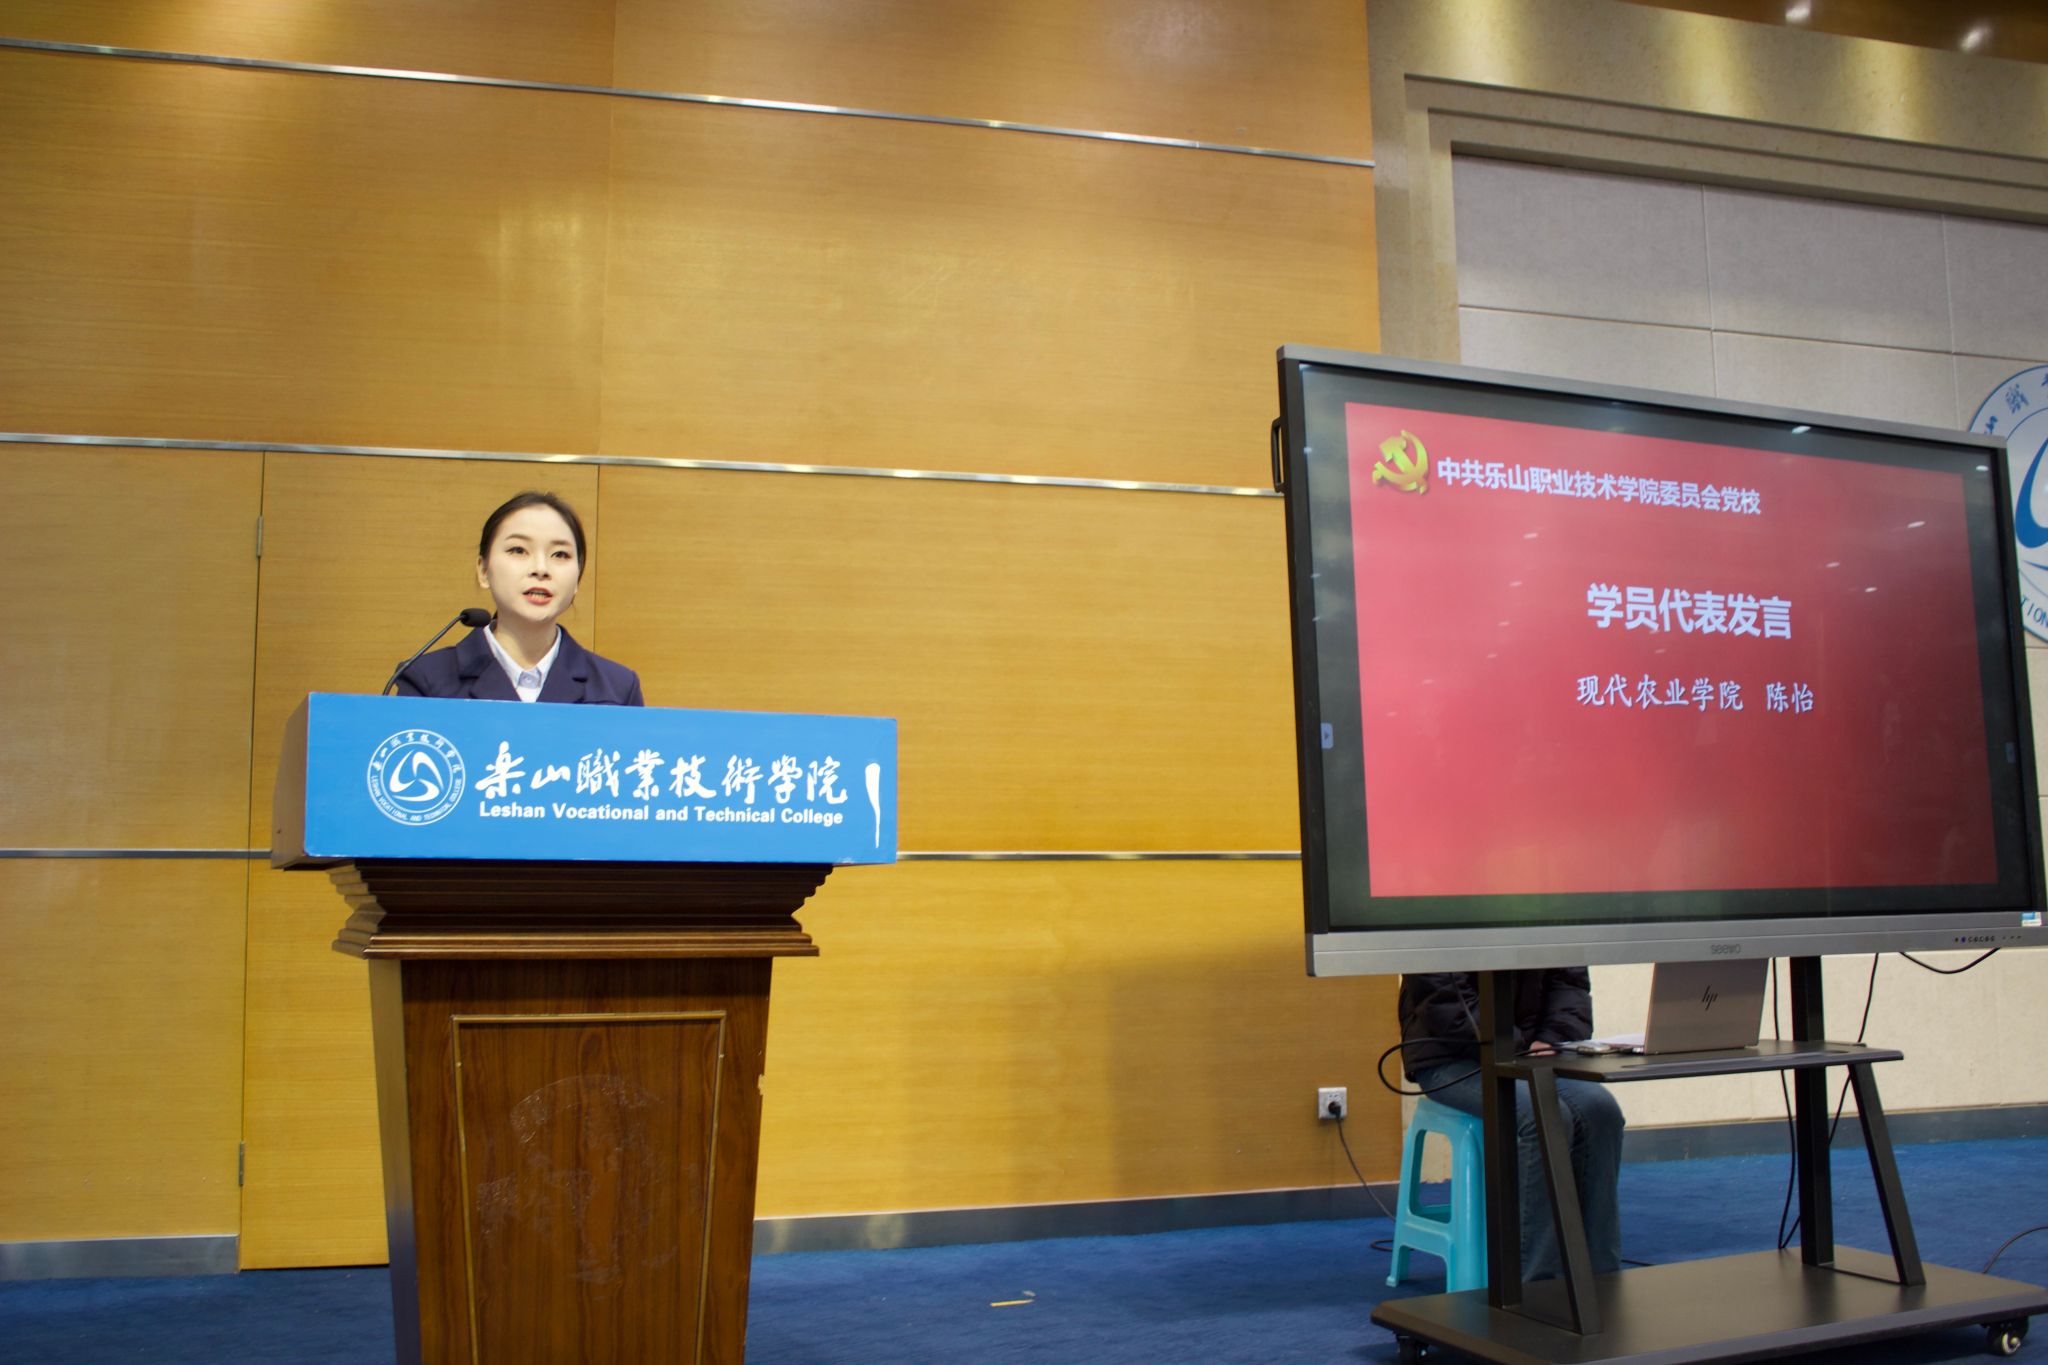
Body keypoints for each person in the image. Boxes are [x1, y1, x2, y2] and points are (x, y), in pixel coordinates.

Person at [1398, 969, 1624, 1281]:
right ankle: (1535, 1282)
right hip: (1450, 1056)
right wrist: (1514, 1045)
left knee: (1601, 1110)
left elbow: (1569, 982)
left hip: (1527, 1053)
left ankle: (1601, 1275)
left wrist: (1552, 1038)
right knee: (1543, 1114)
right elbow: (1444, 998)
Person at [393, 491, 645, 705]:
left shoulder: (618, 689)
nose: (540, 569)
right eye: (518, 550)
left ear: (578, 577)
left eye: (560, 554)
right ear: (483, 570)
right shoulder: (426, 681)